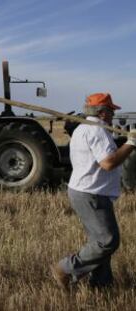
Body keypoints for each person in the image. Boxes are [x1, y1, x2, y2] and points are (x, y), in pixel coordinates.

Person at [52, 93, 136, 290]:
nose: (114, 114)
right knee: (108, 241)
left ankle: (101, 284)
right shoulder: (96, 131)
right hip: (91, 193)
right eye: (111, 110)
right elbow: (108, 163)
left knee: (98, 240)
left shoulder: (83, 128)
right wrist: (131, 143)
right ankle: (65, 268)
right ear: (102, 112)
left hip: (84, 191)